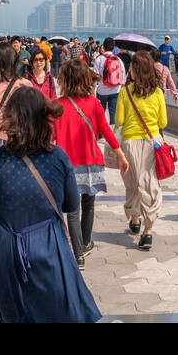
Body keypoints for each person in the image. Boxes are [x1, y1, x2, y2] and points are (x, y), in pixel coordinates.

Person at [0, 89, 101, 322]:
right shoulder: (58, 157)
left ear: (10, 119)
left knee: (11, 312)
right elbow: (71, 204)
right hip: (47, 246)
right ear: (44, 119)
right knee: (54, 310)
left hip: (4, 249)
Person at [55, 59, 129, 265]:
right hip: (92, 160)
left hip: (68, 164)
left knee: (72, 208)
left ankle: (78, 253)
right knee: (89, 204)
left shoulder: (57, 106)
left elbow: (49, 135)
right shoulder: (94, 103)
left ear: (66, 81)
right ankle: (86, 243)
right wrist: (121, 155)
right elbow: (105, 130)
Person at [115, 51, 168, 252]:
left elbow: (119, 120)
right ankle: (148, 229)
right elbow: (163, 122)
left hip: (129, 144)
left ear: (136, 70)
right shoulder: (158, 93)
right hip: (151, 143)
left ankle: (135, 217)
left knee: (132, 183)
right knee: (149, 184)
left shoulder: (125, 92)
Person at [92, 38, 125, 124]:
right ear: (113, 48)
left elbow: (95, 76)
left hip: (102, 91)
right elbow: (123, 76)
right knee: (113, 113)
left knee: (100, 114)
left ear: (104, 47)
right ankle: (112, 134)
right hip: (115, 90)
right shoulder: (118, 59)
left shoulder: (99, 59)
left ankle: (100, 134)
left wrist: (93, 89)